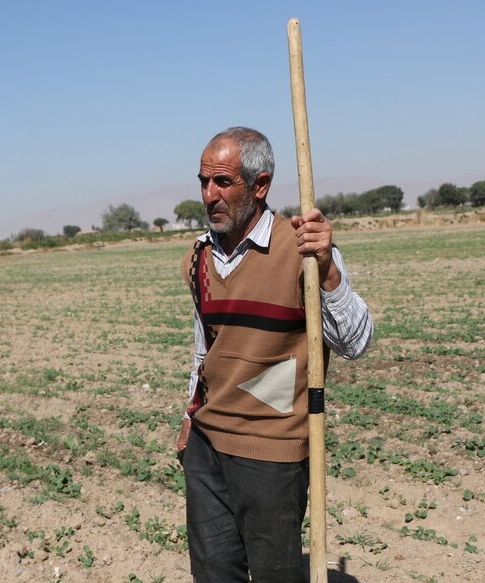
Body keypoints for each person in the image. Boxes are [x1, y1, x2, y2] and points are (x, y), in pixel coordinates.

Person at [176, 126, 373, 583]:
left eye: (222, 182)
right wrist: (190, 413)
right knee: (213, 571)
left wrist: (326, 273)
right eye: (203, 181)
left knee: (275, 575)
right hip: (207, 442)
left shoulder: (303, 249)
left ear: (260, 185)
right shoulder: (197, 257)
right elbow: (206, 345)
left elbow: (356, 341)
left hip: (273, 447)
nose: (209, 195)